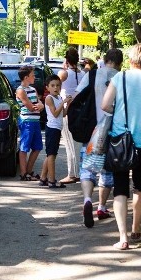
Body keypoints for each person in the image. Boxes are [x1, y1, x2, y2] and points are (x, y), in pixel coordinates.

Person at [101, 44, 141, 250]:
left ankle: (123, 238)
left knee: (120, 186)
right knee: (140, 184)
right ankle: (137, 228)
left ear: (130, 60)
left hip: (120, 138)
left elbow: (104, 105)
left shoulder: (120, 77)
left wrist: (119, 109)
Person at [75, 48, 123, 227]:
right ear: (120, 62)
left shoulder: (92, 75)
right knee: (108, 169)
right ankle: (102, 206)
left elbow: (77, 96)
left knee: (87, 168)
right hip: (113, 130)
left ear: (105, 59)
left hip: (91, 129)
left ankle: (88, 199)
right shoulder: (121, 78)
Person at [57, 47, 84, 184]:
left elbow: (55, 86)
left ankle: (72, 174)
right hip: (80, 110)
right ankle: (78, 172)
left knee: (68, 142)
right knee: (77, 143)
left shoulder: (64, 73)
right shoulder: (83, 73)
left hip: (67, 109)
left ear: (66, 60)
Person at [39, 76, 70, 188]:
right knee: (51, 155)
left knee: (52, 154)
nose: (56, 88)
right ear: (48, 87)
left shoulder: (59, 98)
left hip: (58, 128)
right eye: (52, 85)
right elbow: (55, 113)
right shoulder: (49, 98)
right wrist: (63, 103)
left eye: (58, 85)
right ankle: (51, 180)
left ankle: (43, 178)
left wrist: (68, 102)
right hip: (52, 128)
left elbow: (64, 114)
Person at [15, 65, 44, 181]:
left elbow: (40, 103)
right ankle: (23, 173)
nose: (34, 77)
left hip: (35, 121)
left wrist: (40, 105)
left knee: (37, 147)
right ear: (26, 77)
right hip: (27, 121)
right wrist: (39, 106)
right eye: (32, 75)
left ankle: (28, 171)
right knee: (24, 147)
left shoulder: (33, 90)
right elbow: (31, 107)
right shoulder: (20, 90)